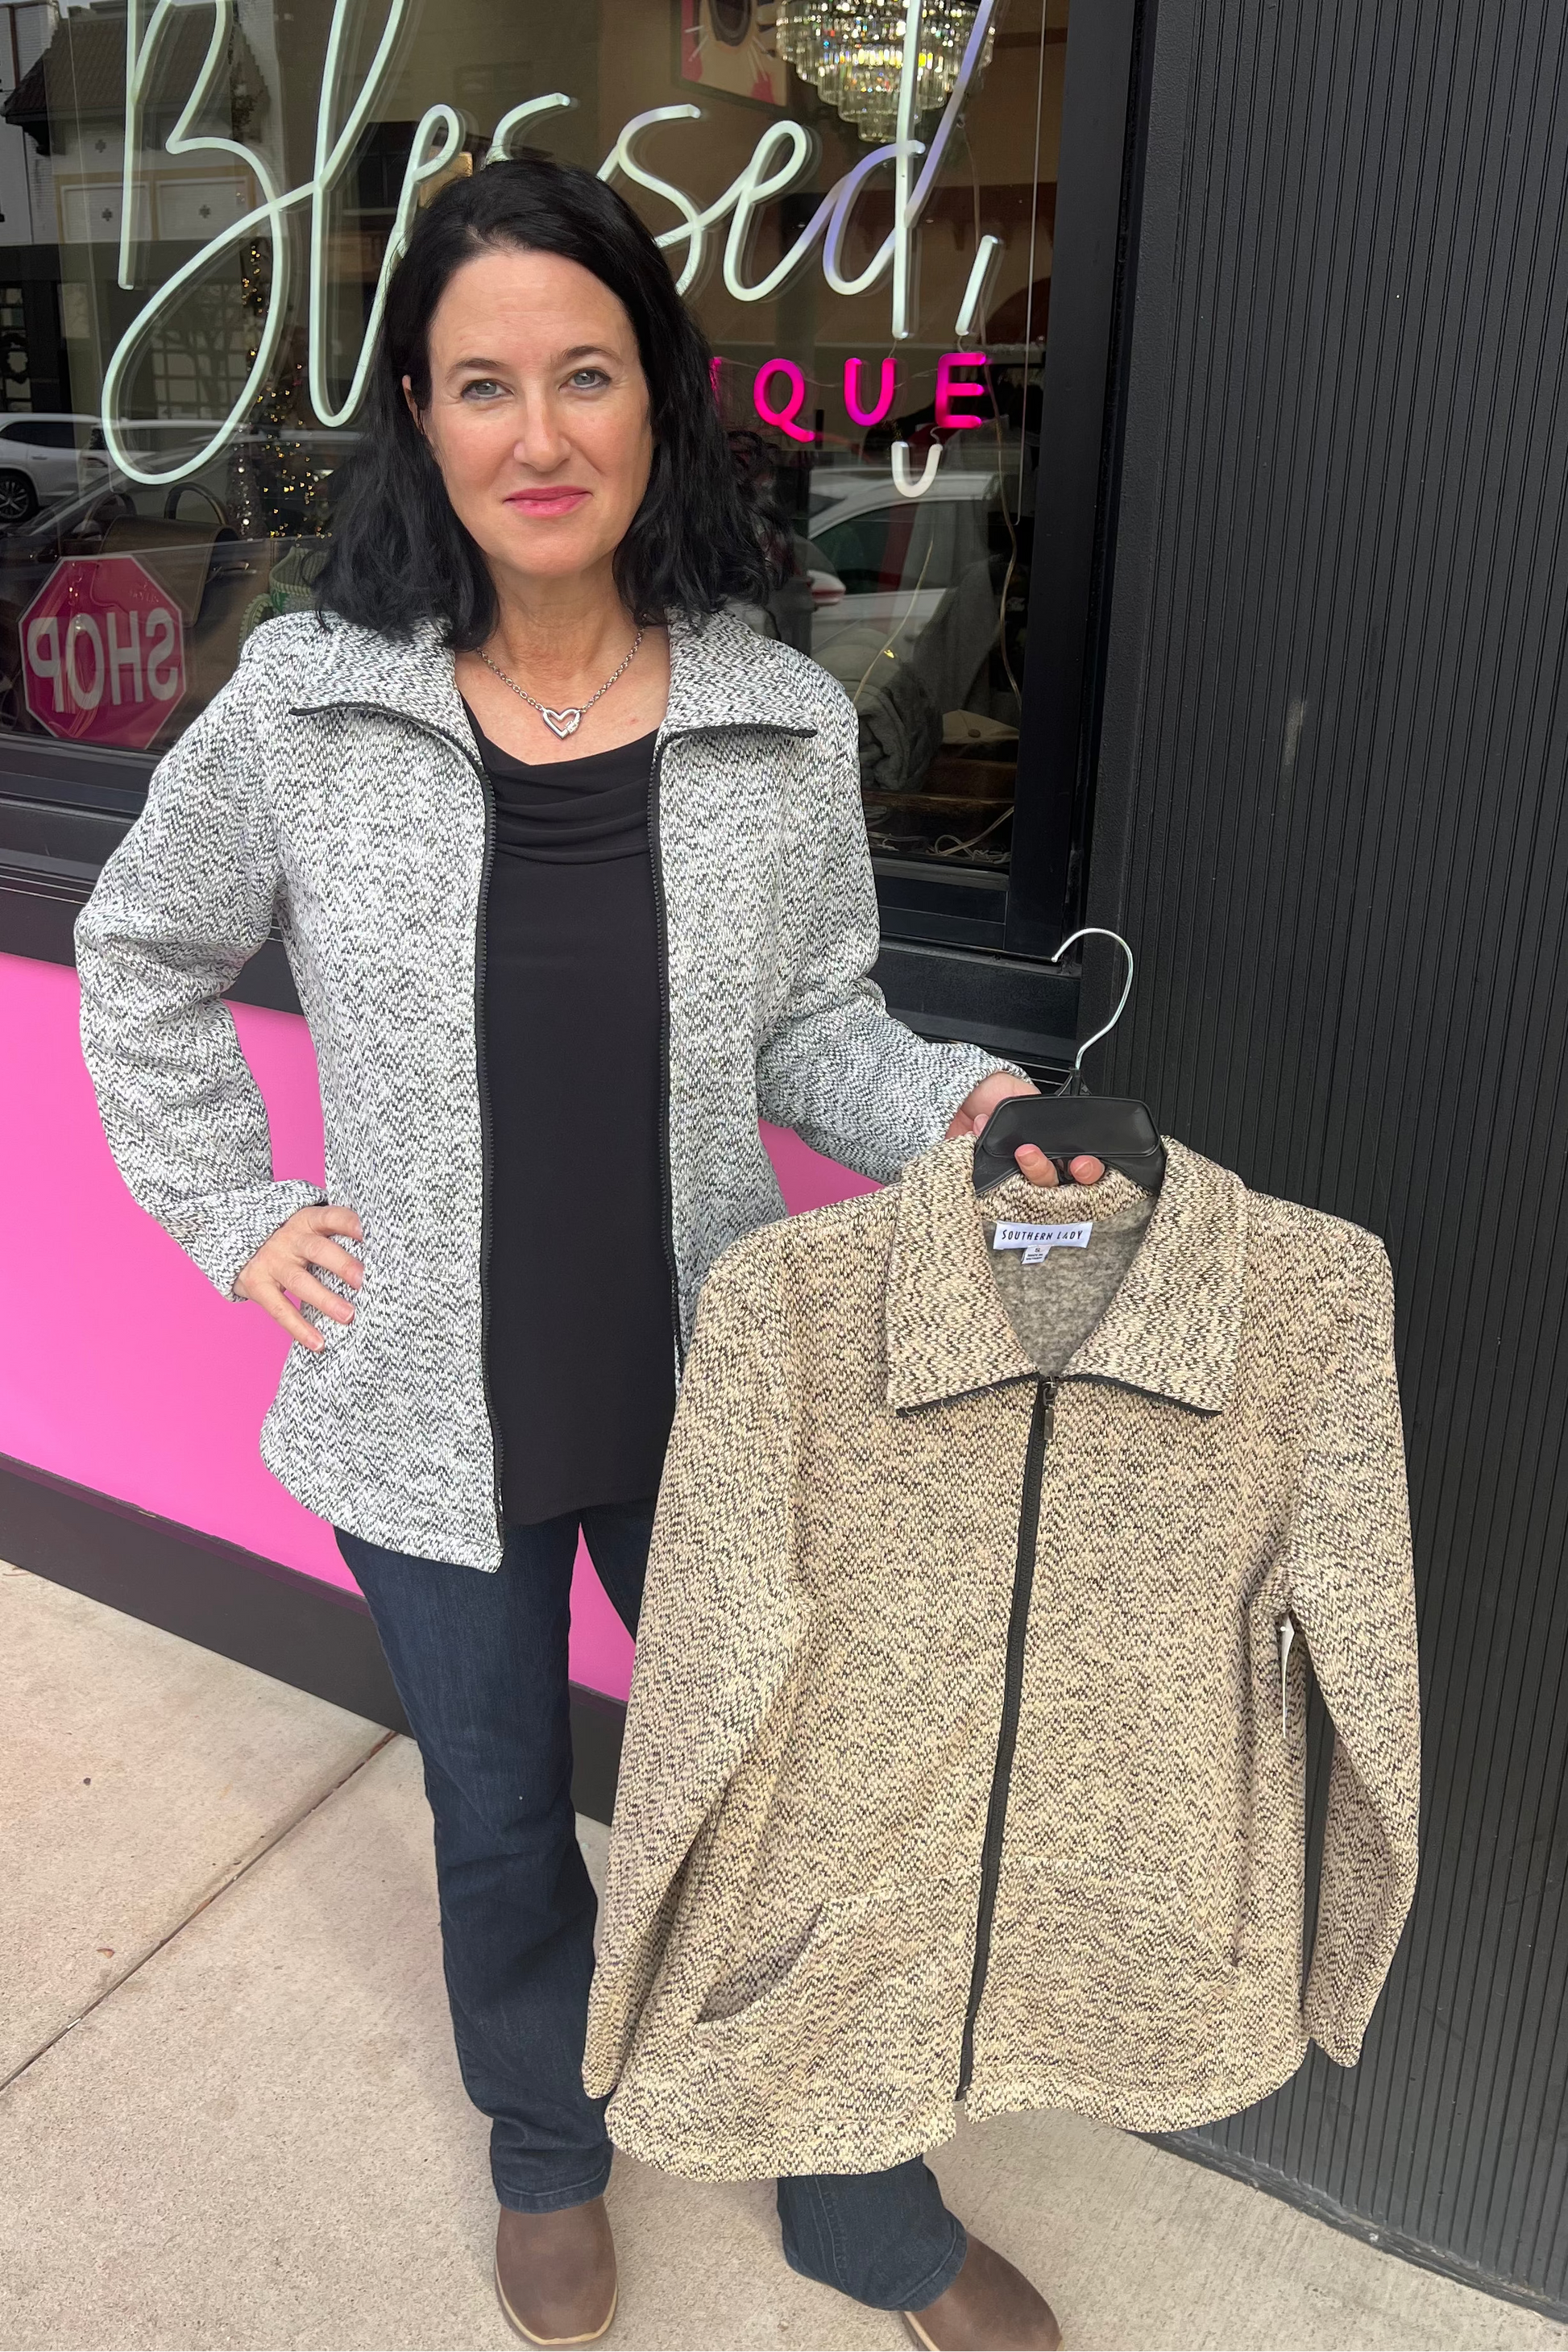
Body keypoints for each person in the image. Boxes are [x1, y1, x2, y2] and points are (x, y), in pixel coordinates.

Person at [76, 159, 1102, 2351]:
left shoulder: (775, 724)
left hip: (696, 1382)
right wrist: (236, 1210)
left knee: (781, 1799)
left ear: (655, 404)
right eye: (481, 385)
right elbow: (142, 952)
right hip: (419, 1398)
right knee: (499, 1815)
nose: (537, 433)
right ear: (420, 423)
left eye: (582, 374)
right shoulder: (313, 710)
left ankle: (865, 2214)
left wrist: (960, 1109)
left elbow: (816, 1020)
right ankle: (547, 2150)